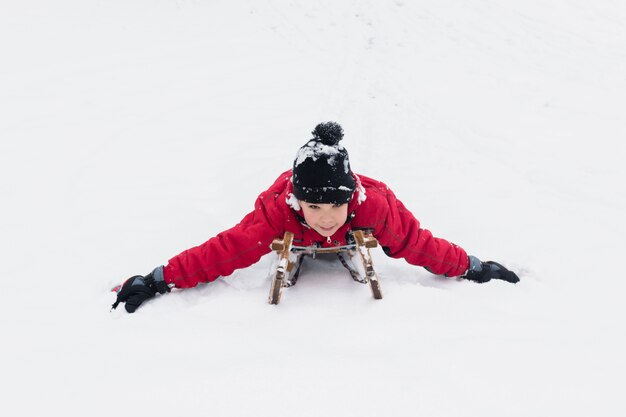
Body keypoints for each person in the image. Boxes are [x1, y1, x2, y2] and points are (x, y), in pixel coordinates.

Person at [112, 122, 519, 313]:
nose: (327, 218)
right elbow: (225, 250)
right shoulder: (278, 212)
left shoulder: (372, 208)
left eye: (335, 207)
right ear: (298, 202)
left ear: (350, 200)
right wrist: (158, 279)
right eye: (315, 208)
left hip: (363, 213)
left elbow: (419, 243)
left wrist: (474, 267)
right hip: (293, 231)